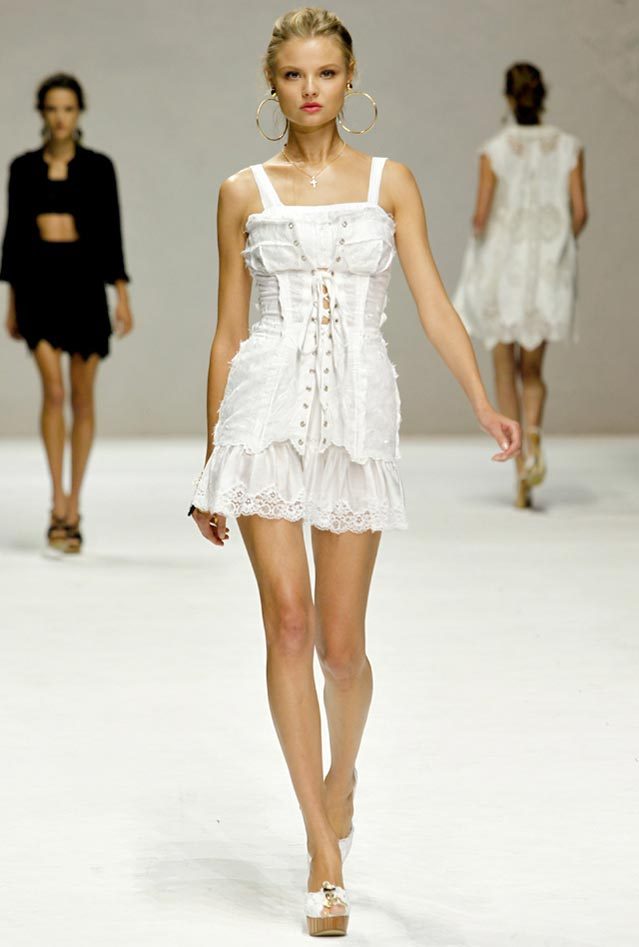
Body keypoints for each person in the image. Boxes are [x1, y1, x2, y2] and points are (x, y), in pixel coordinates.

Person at [189, 8, 520, 937]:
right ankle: (321, 855)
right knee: (288, 624)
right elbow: (227, 331)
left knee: (341, 647)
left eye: (325, 73)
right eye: (294, 74)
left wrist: (483, 400)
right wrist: (212, 460)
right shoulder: (242, 192)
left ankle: (343, 776)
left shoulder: (389, 182)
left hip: (355, 419)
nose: (310, 90)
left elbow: (433, 303)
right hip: (263, 414)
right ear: (273, 83)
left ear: (349, 78)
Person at [1, 72, 133, 552]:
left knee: (82, 396)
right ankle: (56, 501)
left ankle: (74, 505)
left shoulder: (98, 167)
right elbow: (14, 234)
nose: (60, 117)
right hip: (37, 282)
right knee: (53, 393)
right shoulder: (23, 168)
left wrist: (122, 295)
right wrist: (12, 301)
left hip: (83, 282)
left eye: (68, 108)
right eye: (53, 108)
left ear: (79, 113)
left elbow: (111, 231)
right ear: (42, 112)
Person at [453, 62, 588, 508]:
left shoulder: (495, 151)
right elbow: (580, 213)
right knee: (532, 372)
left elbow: (480, 217)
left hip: (501, 273)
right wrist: (555, 245)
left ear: (508, 98)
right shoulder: (568, 147)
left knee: (502, 371)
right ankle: (533, 436)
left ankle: (520, 470)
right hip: (545, 274)